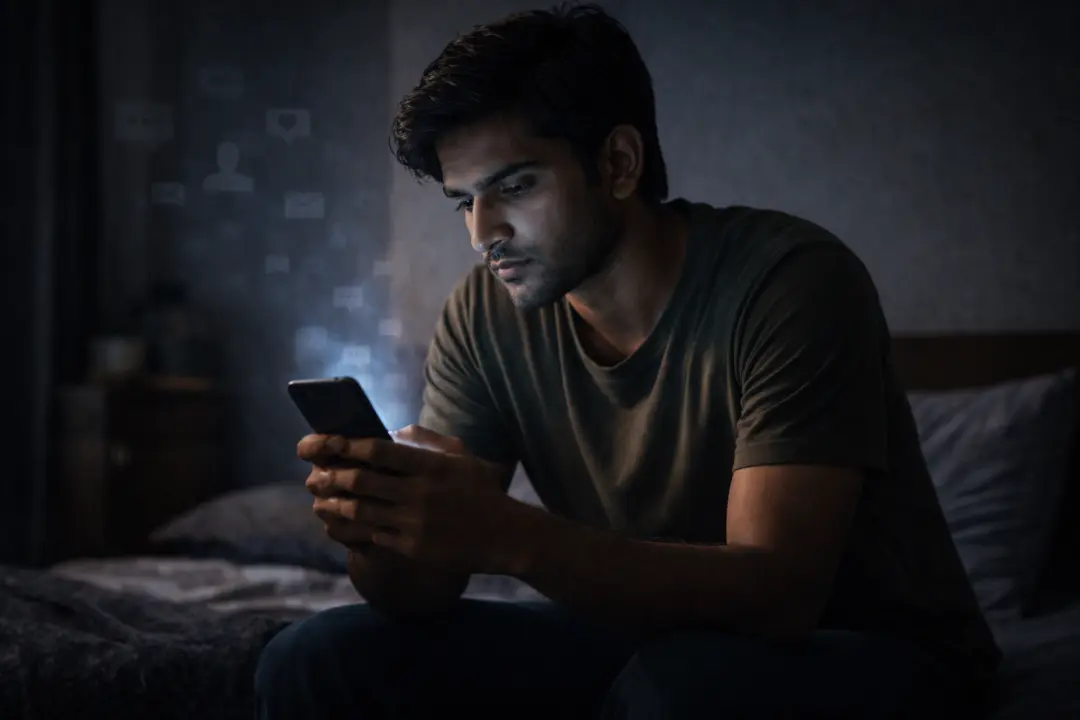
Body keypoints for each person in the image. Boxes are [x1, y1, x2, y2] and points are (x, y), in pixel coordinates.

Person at [255, 4, 1000, 718]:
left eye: (514, 186)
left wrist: (510, 534)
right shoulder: (485, 314)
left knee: (680, 690)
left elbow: (781, 594)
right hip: (645, 643)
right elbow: (423, 592)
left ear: (616, 162)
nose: (484, 232)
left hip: (868, 654)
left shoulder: (791, 282)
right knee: (314, 657)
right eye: (463, 202)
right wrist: (380, 526)